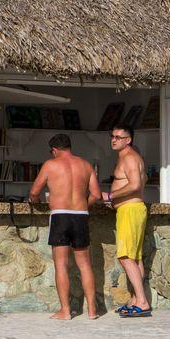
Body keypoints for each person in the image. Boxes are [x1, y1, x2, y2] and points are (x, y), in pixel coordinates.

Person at [29, 134, 102, 320]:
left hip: (60, 215)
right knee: (85, 265)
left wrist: (35, 201)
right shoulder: (85, 165)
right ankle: (92, 311)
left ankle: (65, 310)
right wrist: (83, 203)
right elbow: (96, 194)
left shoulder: (50, 165)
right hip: (81, 216)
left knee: (61, 264)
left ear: (54, 149)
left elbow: (34, 191)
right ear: (69, 147)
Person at [102, 123, 151, 318]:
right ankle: (135, 299)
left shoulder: (130, 158)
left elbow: (136, 184)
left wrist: (111, 196)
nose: (114, 140)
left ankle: (142, 301)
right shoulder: (129, 157)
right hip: (131, 209)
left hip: (130, 210)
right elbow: (144, 178)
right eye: (112, 136)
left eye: (118, 137)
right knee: (134, 257)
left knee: (125, 257)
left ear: (128, 140)